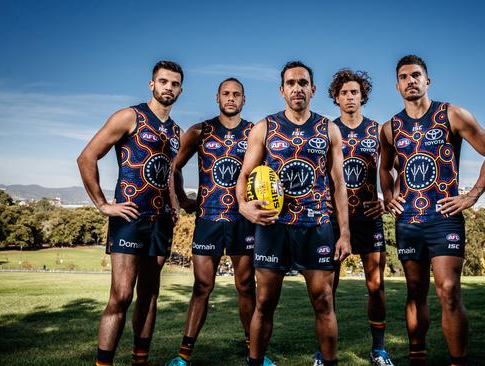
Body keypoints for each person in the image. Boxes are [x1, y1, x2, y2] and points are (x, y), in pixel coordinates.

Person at [379, 54, 485, 366]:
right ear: (397, 86)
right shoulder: (390, 128)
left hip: (444, 219)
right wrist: (388, 195)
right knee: (415, 293)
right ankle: (417, 358)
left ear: (427, 81)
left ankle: (458, 361)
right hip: (408, 221)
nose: (411, 81)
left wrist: (472, 195)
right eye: (404, 77)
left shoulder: (452, 114)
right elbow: (383, 169)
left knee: (448, 291)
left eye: (416, 75)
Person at [236, 61, 352, 366]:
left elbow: (339, 184)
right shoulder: (265, 127)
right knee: (264, 303)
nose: (297, 88)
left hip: (316, 226)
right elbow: (246, 175)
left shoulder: (329, 129)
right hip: (274, 227)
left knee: (324, 301)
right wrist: (243, 205)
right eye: (291, 83)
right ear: (282, 90)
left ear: (312, 89)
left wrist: (345, 233)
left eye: (303, 83)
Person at [77, 60, 184, 366]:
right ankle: (104, 363)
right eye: (163, 82)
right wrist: (102, 205)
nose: (169, 88)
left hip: (161, 221)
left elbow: (170, 173)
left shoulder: (176, 131)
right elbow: (87, 157)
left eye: (175, 84)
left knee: (149, 295)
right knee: (122, 295)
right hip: (129, 218)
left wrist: (176, 203)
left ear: (180, 89)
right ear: (152, 84)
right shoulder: (130, 116)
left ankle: (141, 360)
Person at [165, 78, 274, 366]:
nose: (231, 98)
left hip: (243, 220)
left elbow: (266, 173)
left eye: (236, 94)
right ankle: (183, 355)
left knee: (246, 287)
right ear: (217, 98)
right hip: (209, 219)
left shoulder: (254, 132)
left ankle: (255, 352)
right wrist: (183, 199)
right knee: (202, 287)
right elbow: (174, 167)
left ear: (244, 99)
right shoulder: (200, 131)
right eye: (226, 93)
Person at [324, 68, 392, 366]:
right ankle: (324, 351)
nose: (350, 97)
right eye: (344, 93)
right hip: (334, 221)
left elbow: (397, 167)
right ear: (336, 98)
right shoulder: (326, 129)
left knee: (375, 286)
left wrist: (388, 200)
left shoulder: (378, 130)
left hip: (368, 218)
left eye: (354, 92)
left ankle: (378, 350)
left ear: (362, 96)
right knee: (327, 290)